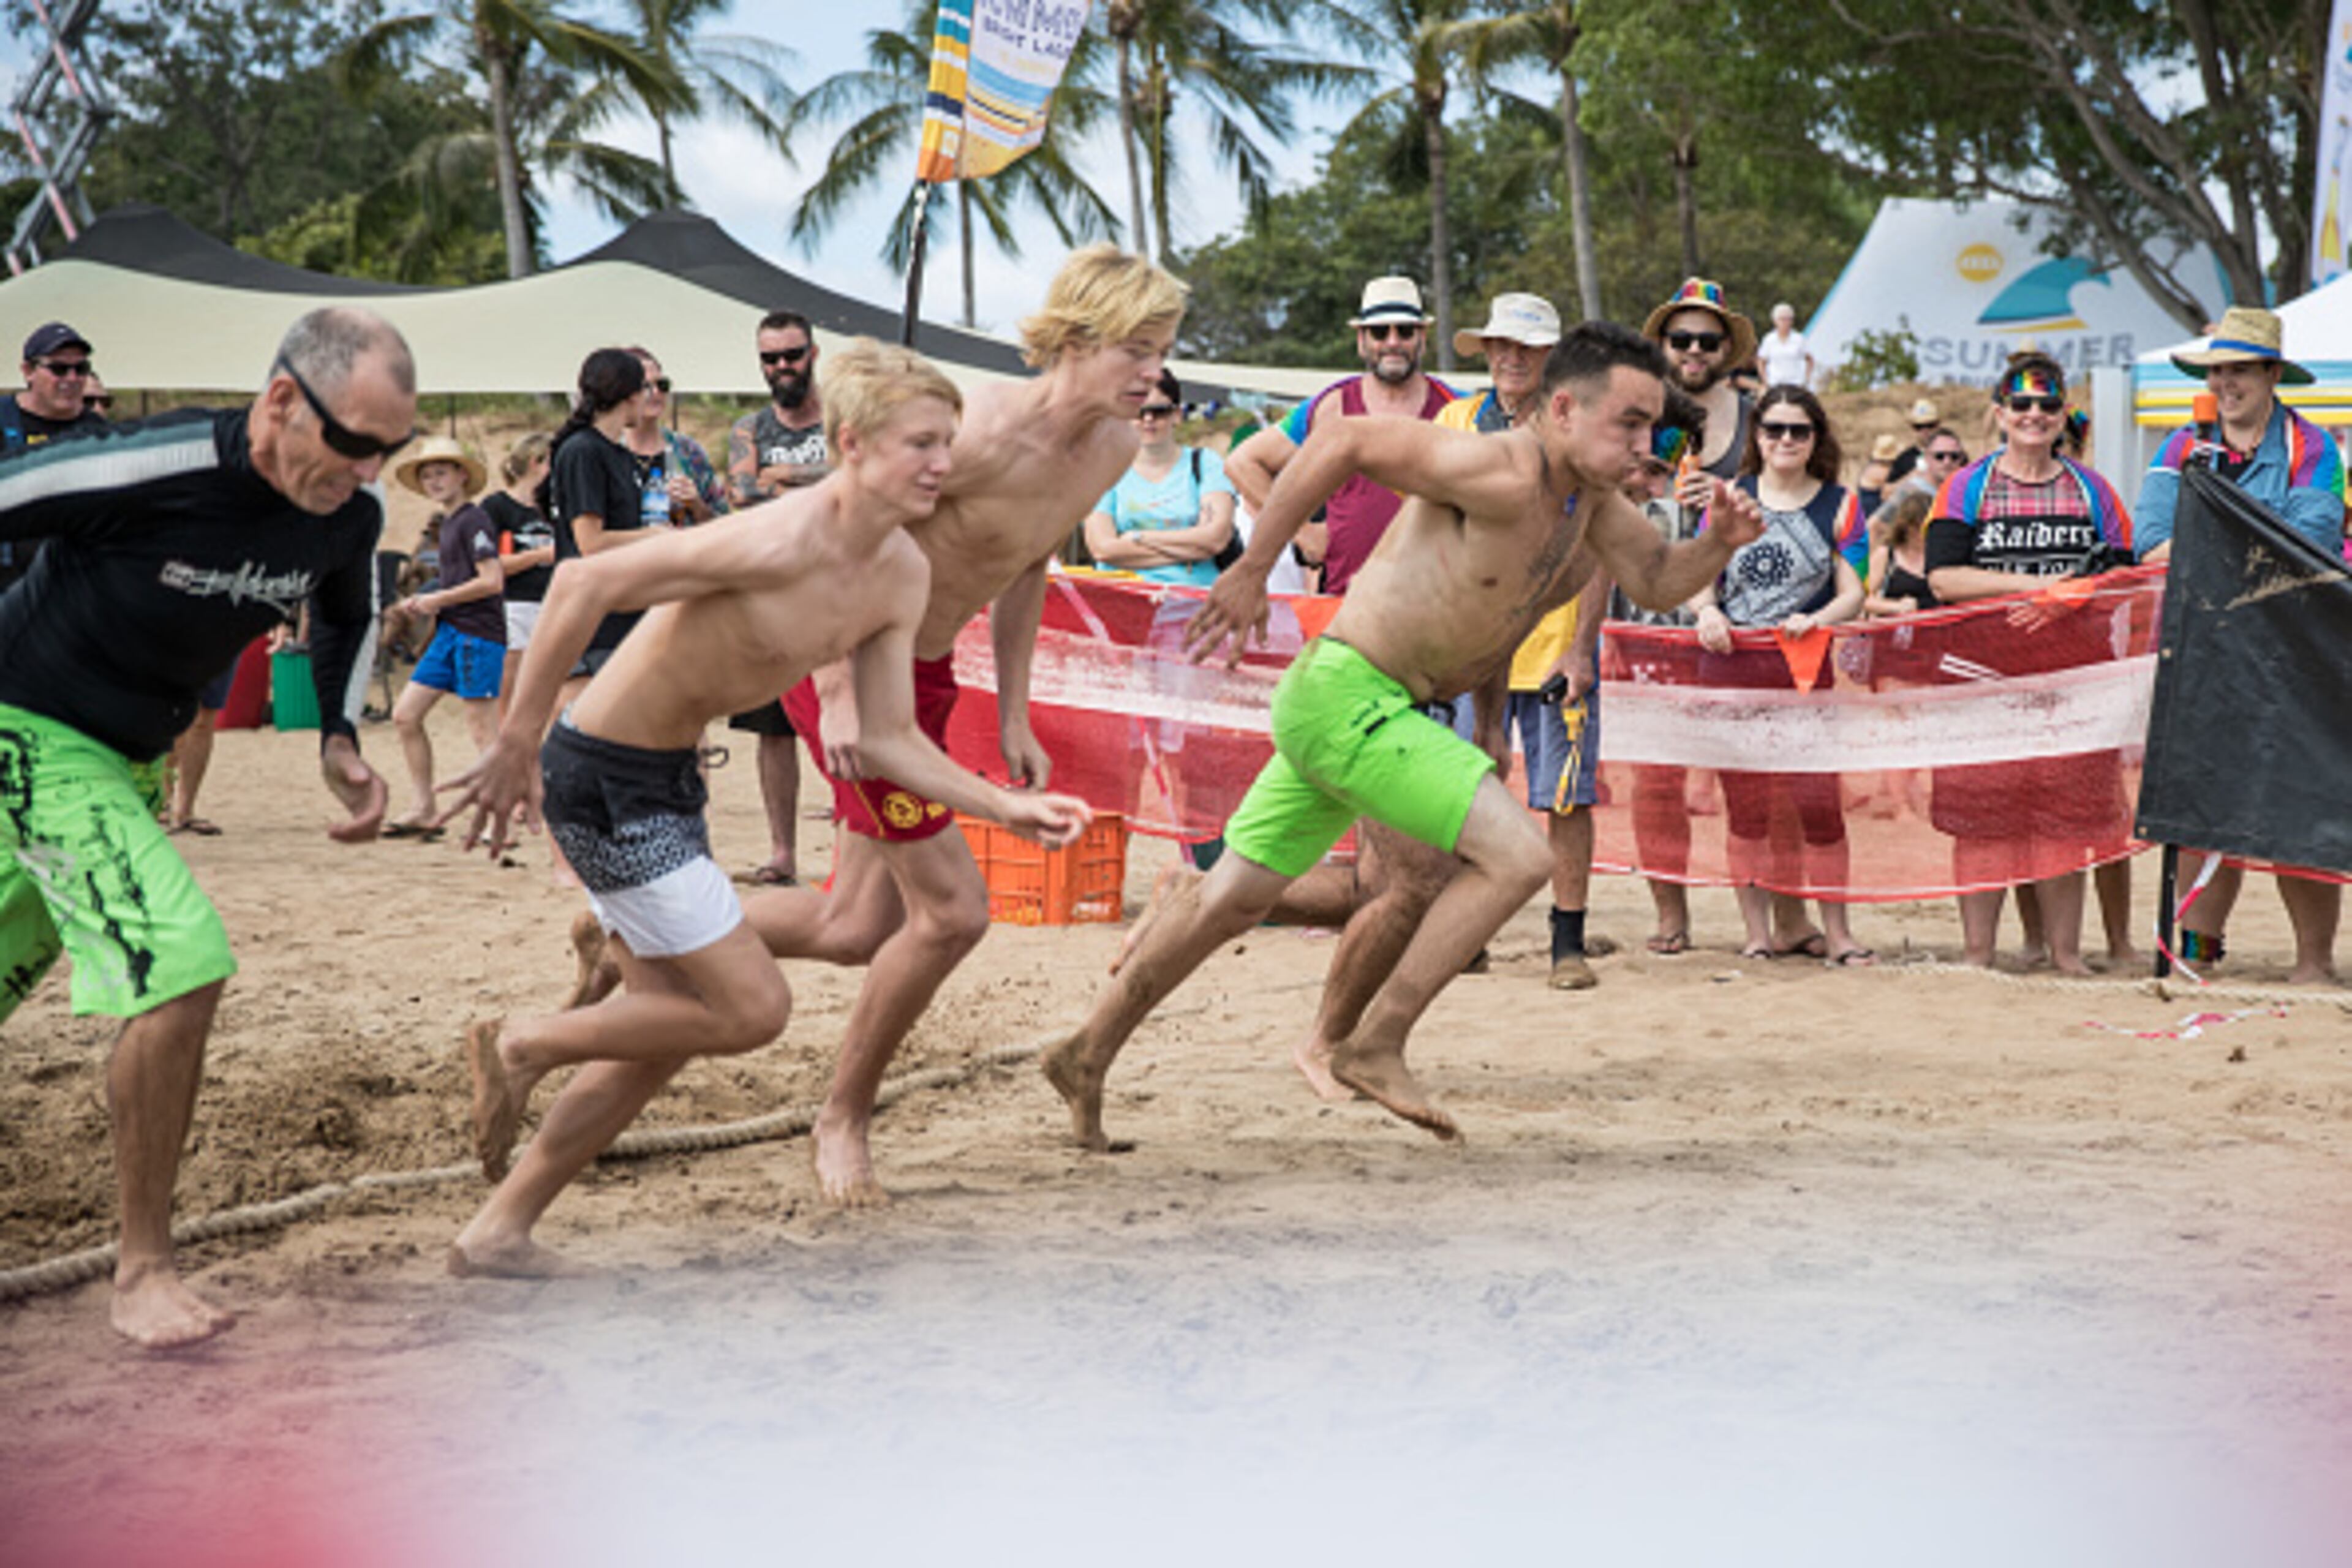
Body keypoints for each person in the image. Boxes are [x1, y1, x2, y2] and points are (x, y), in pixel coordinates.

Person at [433, 340, 1091, 1278]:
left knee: (660, 1033)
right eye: (922, 444)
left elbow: (893, 739)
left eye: (949, 441)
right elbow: (582, 581)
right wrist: (516, 740)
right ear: (854, 443)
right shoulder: (776, 535)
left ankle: (498, 1229)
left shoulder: (899, 569)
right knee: (751, 1008)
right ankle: (523, 1041)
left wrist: (1003, 807)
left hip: (667, 781)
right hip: (603, 778)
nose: (945, 464)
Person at [1042, 322, 1767, 1151]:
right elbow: (1344, 439)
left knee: (1229, 903)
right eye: (1633, 425)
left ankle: (1086, 1051)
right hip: (1350, 693)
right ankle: (1375, 1041)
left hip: (1369, 705)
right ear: (1563, 409)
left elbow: (1653, 578)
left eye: (1659, 432)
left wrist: (1714, 545)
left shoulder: (1586, 511)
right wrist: (1252, 567)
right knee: (1519, 859)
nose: (1651, 447)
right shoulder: (1497, 467)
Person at [655, 244, 1188, 1206]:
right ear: (1075, 339)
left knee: (855, 925)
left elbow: (1028, 563)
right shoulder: (972, 429)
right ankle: (842, 1117)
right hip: (856, 664)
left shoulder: (1109, 445)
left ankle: (643, 933)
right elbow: (835, 537)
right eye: (1139, 351)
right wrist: (844, 690)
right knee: (950, 915)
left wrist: (1016, 709)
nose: (1156, 375)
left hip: (931, 675)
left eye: (1164, 349)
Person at [0, 306, 410, 1347]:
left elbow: (351, 615)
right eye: (353, 443)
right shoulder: (152, 462)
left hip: (129, 762)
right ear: (281, 400)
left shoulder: (343, 515)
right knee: (180, 963)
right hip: (26, 729)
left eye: (388, 452)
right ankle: (142, 1271)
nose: (366, 473)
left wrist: (340, 745)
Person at [2135, 304, 2344, 983]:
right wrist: (2235, 552)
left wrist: (2212, 552)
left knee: (2305, 803)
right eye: (2216, 369)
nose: (2225, 382)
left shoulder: (2316, 450)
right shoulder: (2179, 447)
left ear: (2272, 374)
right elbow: (2149, 543)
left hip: (2297, 653)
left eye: (2240, 370)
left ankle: (2314, 963)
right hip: (2202, 652)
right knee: (2198, 808)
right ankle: (2198, 956)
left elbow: (2308, 549)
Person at [1924, 350, 2136, 974]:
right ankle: (1978, 954)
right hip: (1981, 677)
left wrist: (2077, 595)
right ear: (2000, 413)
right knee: (1982, 818)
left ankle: (2067, 956)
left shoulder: (2094, 490)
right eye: (2022, 404)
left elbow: (2123, 574)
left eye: (2048, 404)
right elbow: (1943, 577)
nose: (2035, 415)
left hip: (2074, 680)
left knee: (2067, 818)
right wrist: (2033, 591)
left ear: (2064, 413)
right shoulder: (1966, 487)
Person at [1436, 291, 1615, 989]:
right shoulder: (1456, 420)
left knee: (1565, 797)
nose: (1511, 357)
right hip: (1469, 637)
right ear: (1485, 352)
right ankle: (1467, 935)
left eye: (1527, 346)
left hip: (1551, 640)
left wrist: (1582, 648)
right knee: (1457, 791)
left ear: (1551, 357)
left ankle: (1566, 944)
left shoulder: (1575, 427)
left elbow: (1601, 543)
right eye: (1500, 345)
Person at [1689, 383, 1872, 965]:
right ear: (1757, 437)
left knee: (1818, 802)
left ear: (1816, 438)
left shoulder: (1841, 505)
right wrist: (1708, 612)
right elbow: (1696, 575)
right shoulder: (1729, 497)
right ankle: (1757, 934)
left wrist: (1814, 619)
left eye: (1799, 430)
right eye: (1774, 430)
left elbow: (1855, 592)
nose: (1786, 441)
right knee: (1745, 805)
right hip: (1732, 667)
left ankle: (1838, 933)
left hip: (1803, 669)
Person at [1224, 276, 1455, 593]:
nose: (1392, 342)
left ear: (1422, 338)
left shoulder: (1457, 407)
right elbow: (1242, 462)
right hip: (1344, 603)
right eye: (1379, 331)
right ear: (1361, 339)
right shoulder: (1329, 406)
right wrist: (1301, 531)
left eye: (1404, 330)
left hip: (1437, 602)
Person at [725, 311, 829, 888]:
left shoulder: (843, 415)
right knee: (774, 726)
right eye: (771, 359)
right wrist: (820, 480)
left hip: (840, 586)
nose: (782, 368)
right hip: (772, 589)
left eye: (791, 355)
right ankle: (783, 852)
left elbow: (864, 478)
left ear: (813, 353)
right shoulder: (750, 428)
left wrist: (786, 473)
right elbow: (743, 492)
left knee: (854, 718)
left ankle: (856, 848)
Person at [1609, 400, 1709, 954]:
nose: (1644, 480)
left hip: (1705, 654)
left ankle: (1775, 920)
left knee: (1753, 789)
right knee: (1655, 791)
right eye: (1639, 466)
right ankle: (1671, 915)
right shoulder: (1600, 506)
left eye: (1657, 472)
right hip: (1637, 662)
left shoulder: (1694, 507)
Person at [386, 436, 504, 838]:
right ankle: (423, 806)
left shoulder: (474, 519)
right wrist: (423, 600)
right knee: (405, 715)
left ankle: (500, 815)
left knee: (482, 728)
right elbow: (461, 578)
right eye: (426, 476)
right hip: (450, 631)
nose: (433, 481)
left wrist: (438, 598)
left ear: (462, 475)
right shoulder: (450, 523)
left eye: (441, 472)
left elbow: (492, 580)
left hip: (477, 633)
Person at [1082, 369, 1236, 585]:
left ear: (1177, 415)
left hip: (1196, 604)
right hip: (1122, 601)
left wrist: (1137, 538)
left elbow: (1216, 539)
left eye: (1159, 411)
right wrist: (1192, 550)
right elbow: (1102, 549)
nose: (1148, 419)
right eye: (1138, 411)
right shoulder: (1105, 470)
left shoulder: (1206, 463)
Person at [0, 320, 108, 593]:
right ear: (28, 371)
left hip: (73, 587)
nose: (71, 379)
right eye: (59, 369)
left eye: (81, 369)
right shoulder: (4, 419)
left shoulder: (99, 433)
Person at [1643, 277, 1757, 483]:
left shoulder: (1755, 420)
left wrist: (1729, 493)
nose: (1694, 350)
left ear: (1727, 346)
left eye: (1709, 342)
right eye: (1681, 340)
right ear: (1662, 344)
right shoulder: (1637, 411)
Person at [482, 432, 557, 720]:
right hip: (514, 603)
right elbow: (489, 564)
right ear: (537, 463)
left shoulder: (557, 508)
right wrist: (539, 556)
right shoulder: (497, 507)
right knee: (510, 683)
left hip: (553, 602)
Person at [623, 346, 726, 528]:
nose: (656, 393)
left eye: (662, 385)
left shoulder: (688, 451)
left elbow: (723, 525)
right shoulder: (605, 450)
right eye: (645, 386)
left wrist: (697, 505)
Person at [1863, 486, 1939, 617]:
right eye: (1918, 529)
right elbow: (1864, 599)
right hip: (1892, 630)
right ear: (1906, 527)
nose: (1923, 535)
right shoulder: (1886, 554)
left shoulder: (1940, 554)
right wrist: (1897, 607)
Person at [1883, 397, 1941, 488]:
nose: (1925, 431)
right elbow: (1885, 493)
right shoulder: (1903, 460)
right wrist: (1911, 478)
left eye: (1930, 425)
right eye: (1919, 427)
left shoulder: (1952, 456)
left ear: (1938, 425)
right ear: (1912, 429)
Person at [1755, 302, 1814, 390]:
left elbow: (1810, 359)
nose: (1785, 322)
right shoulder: (1769, 340)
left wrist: (1807, 378)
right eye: (1782, 319)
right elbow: (1761, 361)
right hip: (1775, 384)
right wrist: (1766, 380)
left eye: (1788, 319)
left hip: (1796, 384)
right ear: (1775, 321)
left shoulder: (1799, 339)